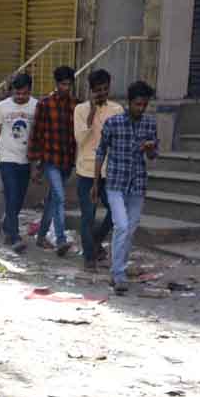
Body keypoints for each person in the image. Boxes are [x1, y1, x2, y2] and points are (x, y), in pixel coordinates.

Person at [94, 80, 159, 294]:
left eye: (144, 105)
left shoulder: (150, 124)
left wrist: (149, 149)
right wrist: (95, 182)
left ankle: (116, 269)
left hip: (138, 183)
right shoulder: (113, 123)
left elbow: (153, 155)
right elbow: (101, 152)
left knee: (129, 230)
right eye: (138, 104)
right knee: (121, 225)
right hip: (115, 183)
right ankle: (119, 273)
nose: (141, 109)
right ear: (129, 102)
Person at [73, 68, 121, 272]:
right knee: (88, 215)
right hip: (86, 171)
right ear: (90, 91)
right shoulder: (80, 110)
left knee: (115, 212)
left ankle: (95, 241)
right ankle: (89, 258)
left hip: (109, 171)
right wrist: (92, 113)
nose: (102, 93)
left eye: (105, 89)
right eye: (98, 90)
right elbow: (80, 139)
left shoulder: (117, 110)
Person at [0, 72, 36, 252]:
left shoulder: (37, 106)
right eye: (17, 93)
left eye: (24, 93)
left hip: (26, 160)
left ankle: (7, 226)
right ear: (12, 91)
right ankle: (14, 236)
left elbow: (38, 135)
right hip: (6, 159)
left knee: (19, 199)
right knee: (12, 193)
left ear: (30, 90)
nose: (21, 97)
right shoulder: (2, 107)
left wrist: (37, 162)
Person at [29, 65, 76, 256]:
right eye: (63, 84)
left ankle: (41, 236)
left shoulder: (76, 105)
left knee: (52, 199)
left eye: (69, 84)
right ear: (57, 84)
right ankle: (61, 239)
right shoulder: (45, 104)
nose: (66, 88)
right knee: (59, 196)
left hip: (67, 159)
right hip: (50, 158)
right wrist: (35, 165)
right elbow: (36, 134)